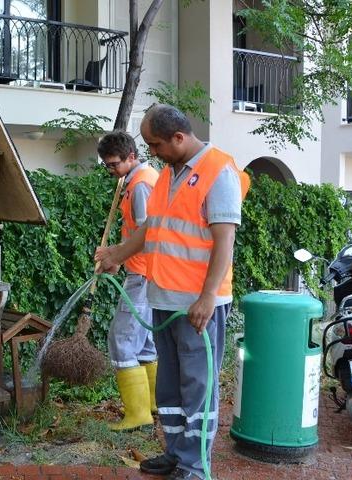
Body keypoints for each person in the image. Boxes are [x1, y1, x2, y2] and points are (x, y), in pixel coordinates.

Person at [95, 104, 249, 480]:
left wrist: (208, 297)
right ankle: (176, 454)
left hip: (197, 305)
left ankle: (195, 466)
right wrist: (117, 253)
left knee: (198, 387)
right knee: (170, 387)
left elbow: (224, 240)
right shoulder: (168, 174)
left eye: (155, 144)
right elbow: (152, 231)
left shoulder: (218, 171)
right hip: (164, 298)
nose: (151, 152)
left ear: (179, 137)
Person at [96, 130, 159, 431]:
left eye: (114, 164)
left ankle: (137, 415)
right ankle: (154, 404)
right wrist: (114, 253)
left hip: (144, 273)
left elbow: (149, 235)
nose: (111, 170)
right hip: (146, 272)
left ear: (131, 156)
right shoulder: (134, 180)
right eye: (107, 165)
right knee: (145, 343)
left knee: (121, 340)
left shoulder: (142, 185)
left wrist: (115, 257)